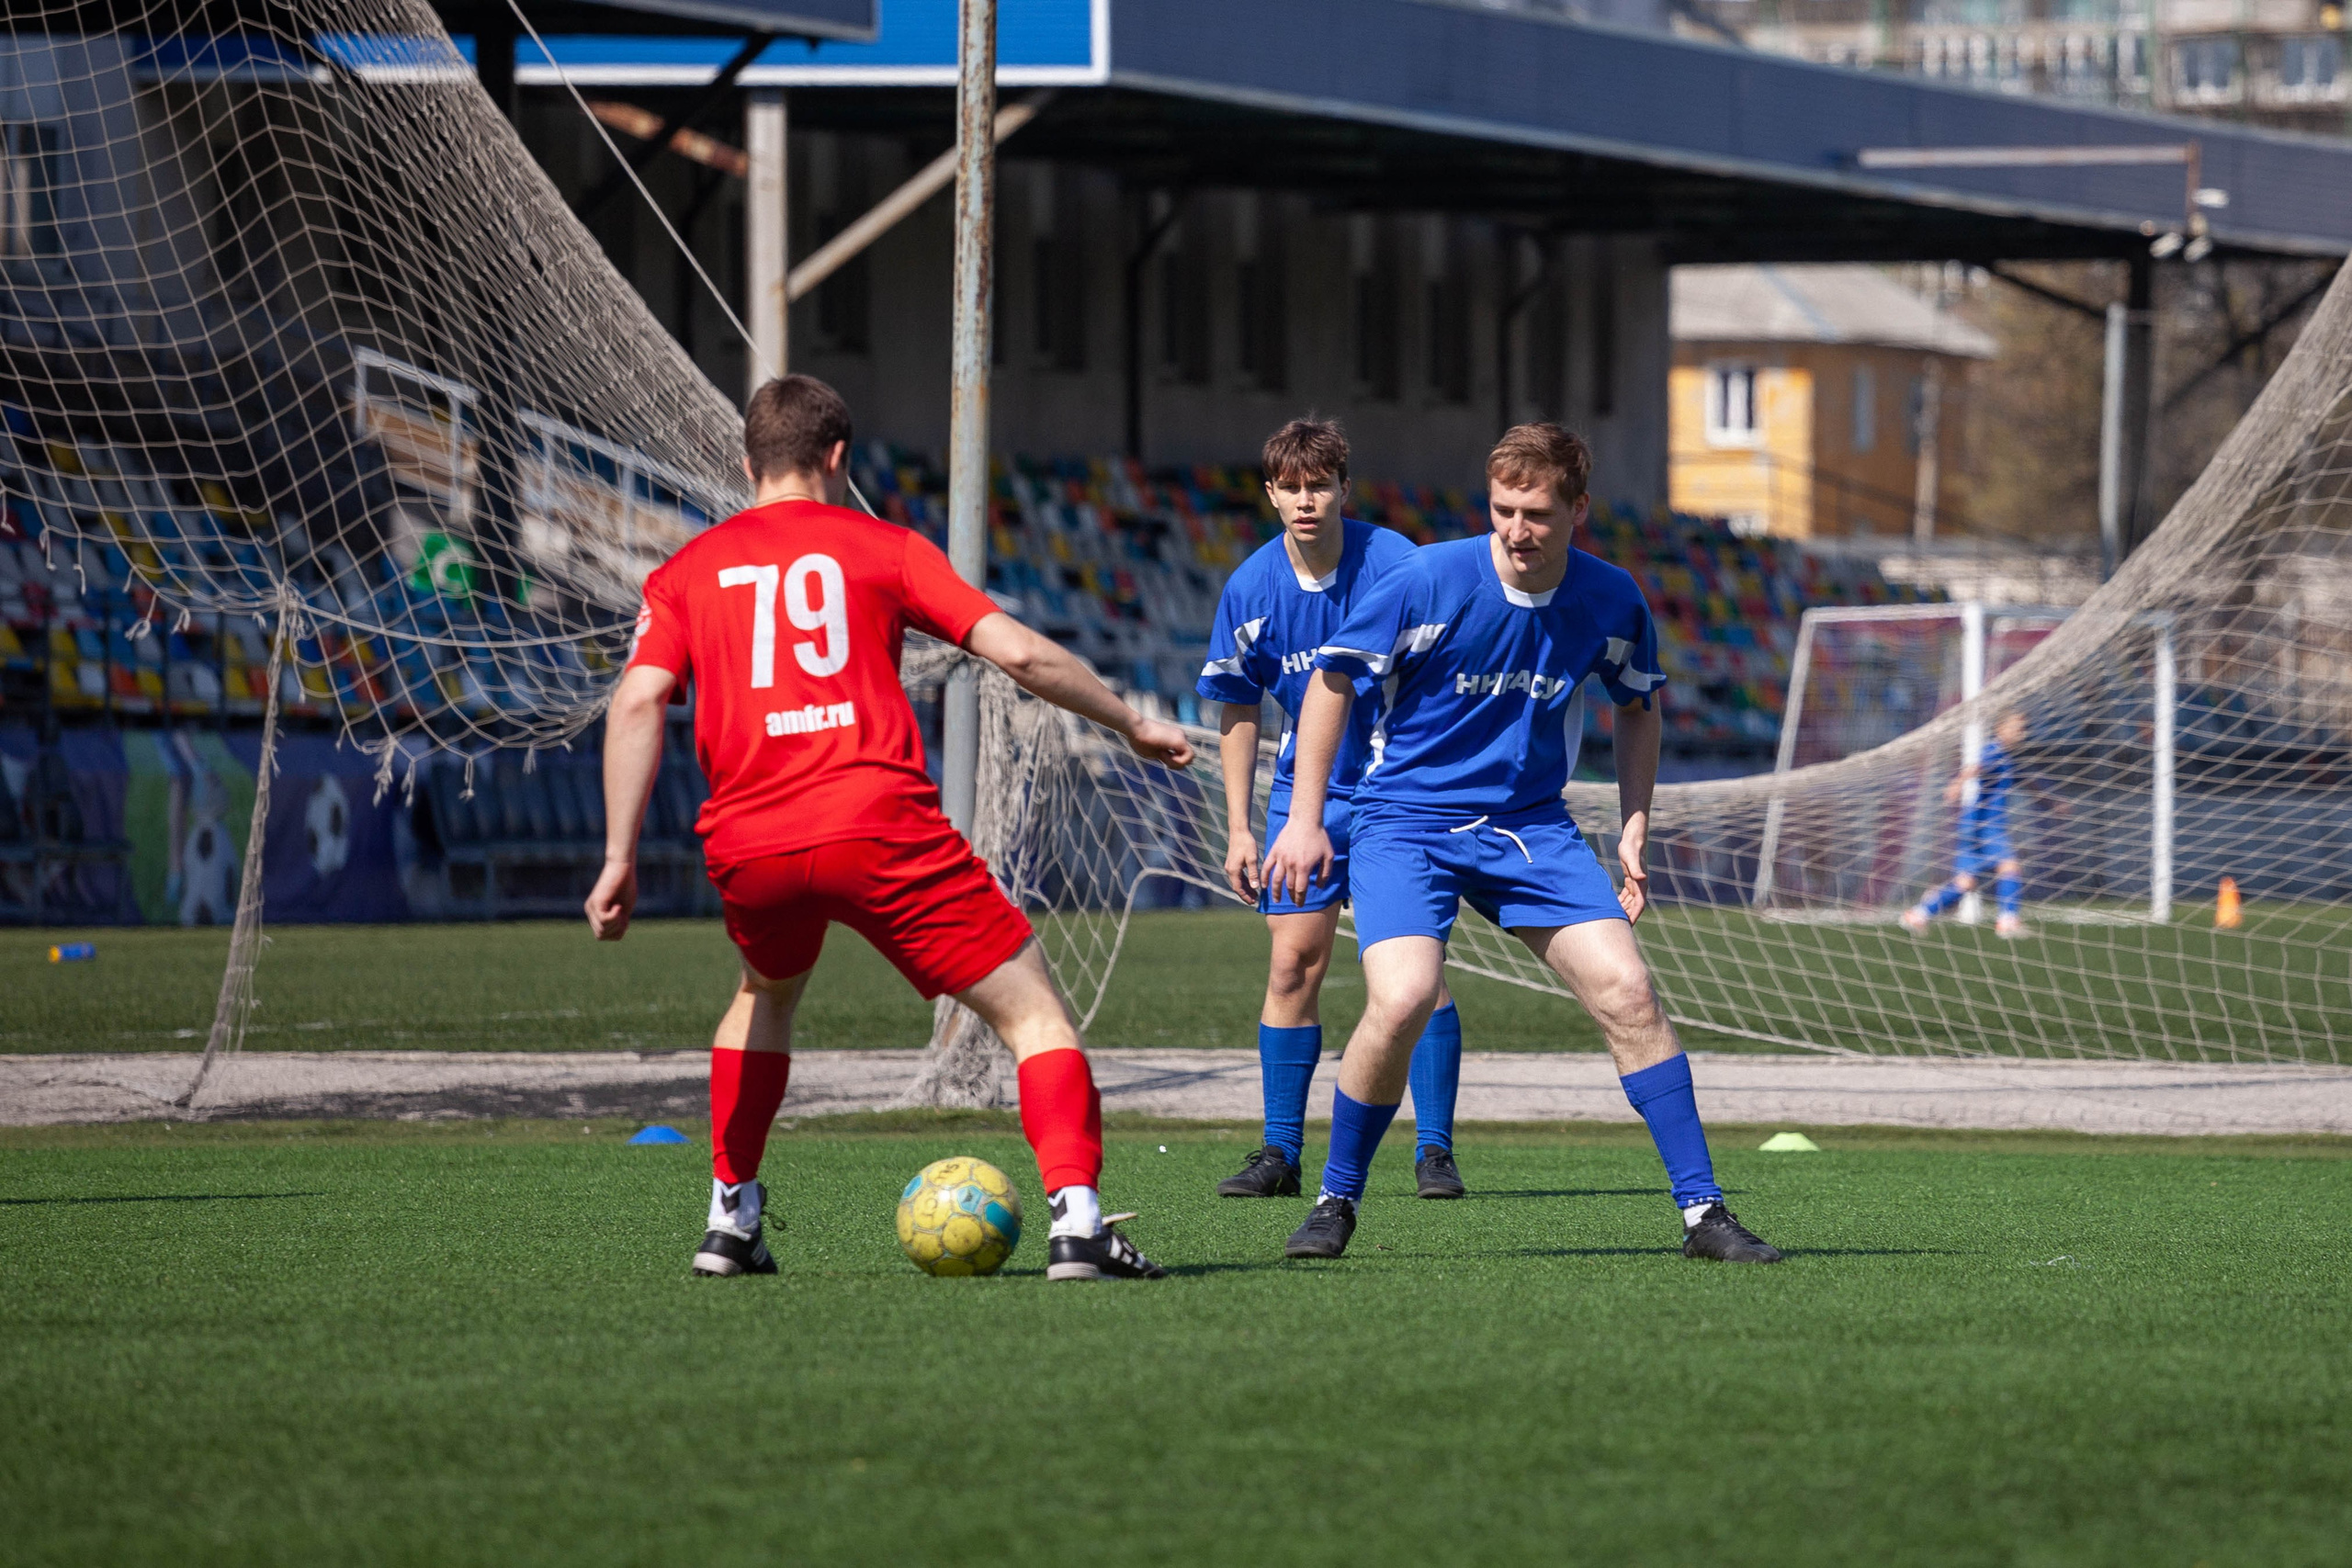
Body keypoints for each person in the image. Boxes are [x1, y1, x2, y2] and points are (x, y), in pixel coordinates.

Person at [588, 374, 1193, 1281]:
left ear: (746, 462)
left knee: (763, 996)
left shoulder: (683, 572)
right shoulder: (885, 548)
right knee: (1031, 1015)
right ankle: (1078, 1222)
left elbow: (637, 699)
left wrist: (619, 856)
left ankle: (729, 1221)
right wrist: (1130, 720)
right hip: (877, 822)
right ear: (837, 456)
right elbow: (1019, 652)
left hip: (750, 836)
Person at [1263, 423, 1781, 1264]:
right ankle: (1334, 1199)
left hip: (1529, 827)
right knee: (1402, 999)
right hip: (1406, 823)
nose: (1516, 528)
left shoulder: (1612, 598)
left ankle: (1704, 1213)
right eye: (1503, 508)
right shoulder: (1425, 579)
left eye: (1537, 512)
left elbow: (1637, 705)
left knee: (1629, 993)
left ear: (1579, 509)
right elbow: (1330, 680)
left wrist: (1635, 827)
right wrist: (1304, 816)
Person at [1198, 418, 1470, 1201]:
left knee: (1415, 979)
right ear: (1271, 493)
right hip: (1301, 799)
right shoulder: (1250, 587)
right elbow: (1238, 706)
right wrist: (1243, 827)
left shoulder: (1399, 565)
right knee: (1292, 963)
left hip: (1402, 796)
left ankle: (1435, 1150)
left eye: (1321, 485)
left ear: (1346, 489)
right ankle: (1279, 1151)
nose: (1306, 500)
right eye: (1291, 486)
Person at [1902, 709, 2030, 939]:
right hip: (1985, 826)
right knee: (2009, 867)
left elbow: (2027, 782)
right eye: (2016, 727)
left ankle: (1918, 914)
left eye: (2023, 728)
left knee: (1966, 882)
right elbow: (1975, 768)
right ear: (2000, 729)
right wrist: (1957, 784)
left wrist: (2051, 801)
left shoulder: (2008, 758)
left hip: (1971, 826)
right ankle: (2008, 920)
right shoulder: (1994, 750)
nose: (2021, 732)